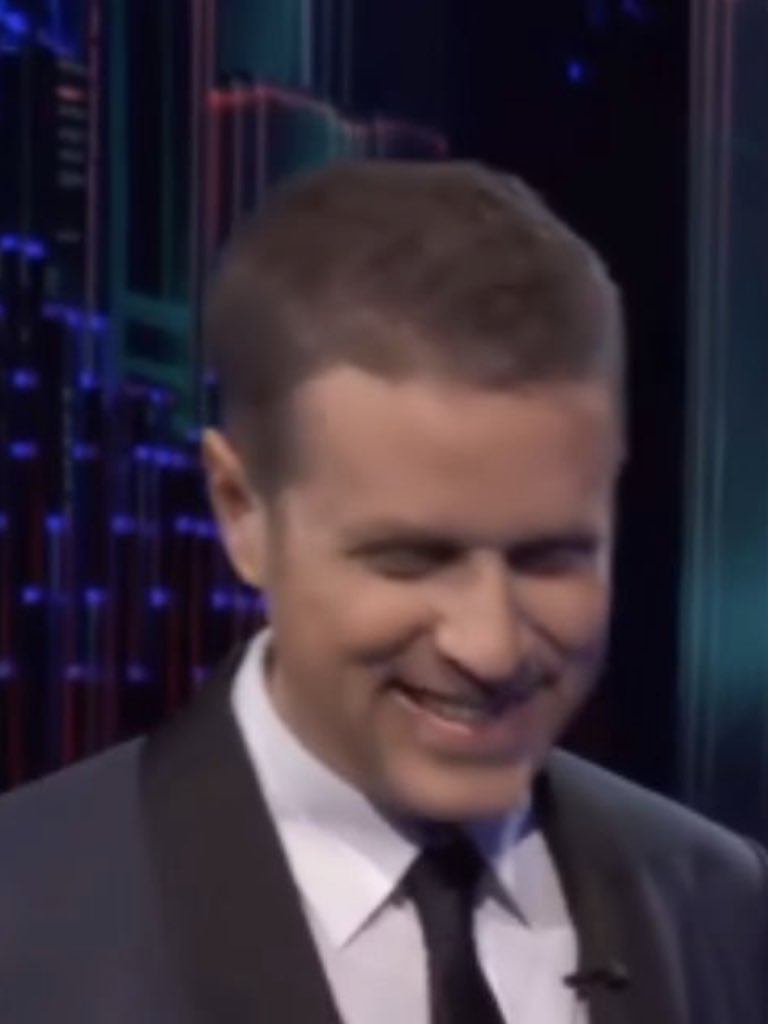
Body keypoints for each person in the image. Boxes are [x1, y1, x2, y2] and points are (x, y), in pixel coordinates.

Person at [0, 160, 765, 1024]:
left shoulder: (729, 911)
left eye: (550, 558)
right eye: (411, 560)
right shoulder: (23, 921)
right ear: (242, 511)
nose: (491, 647)